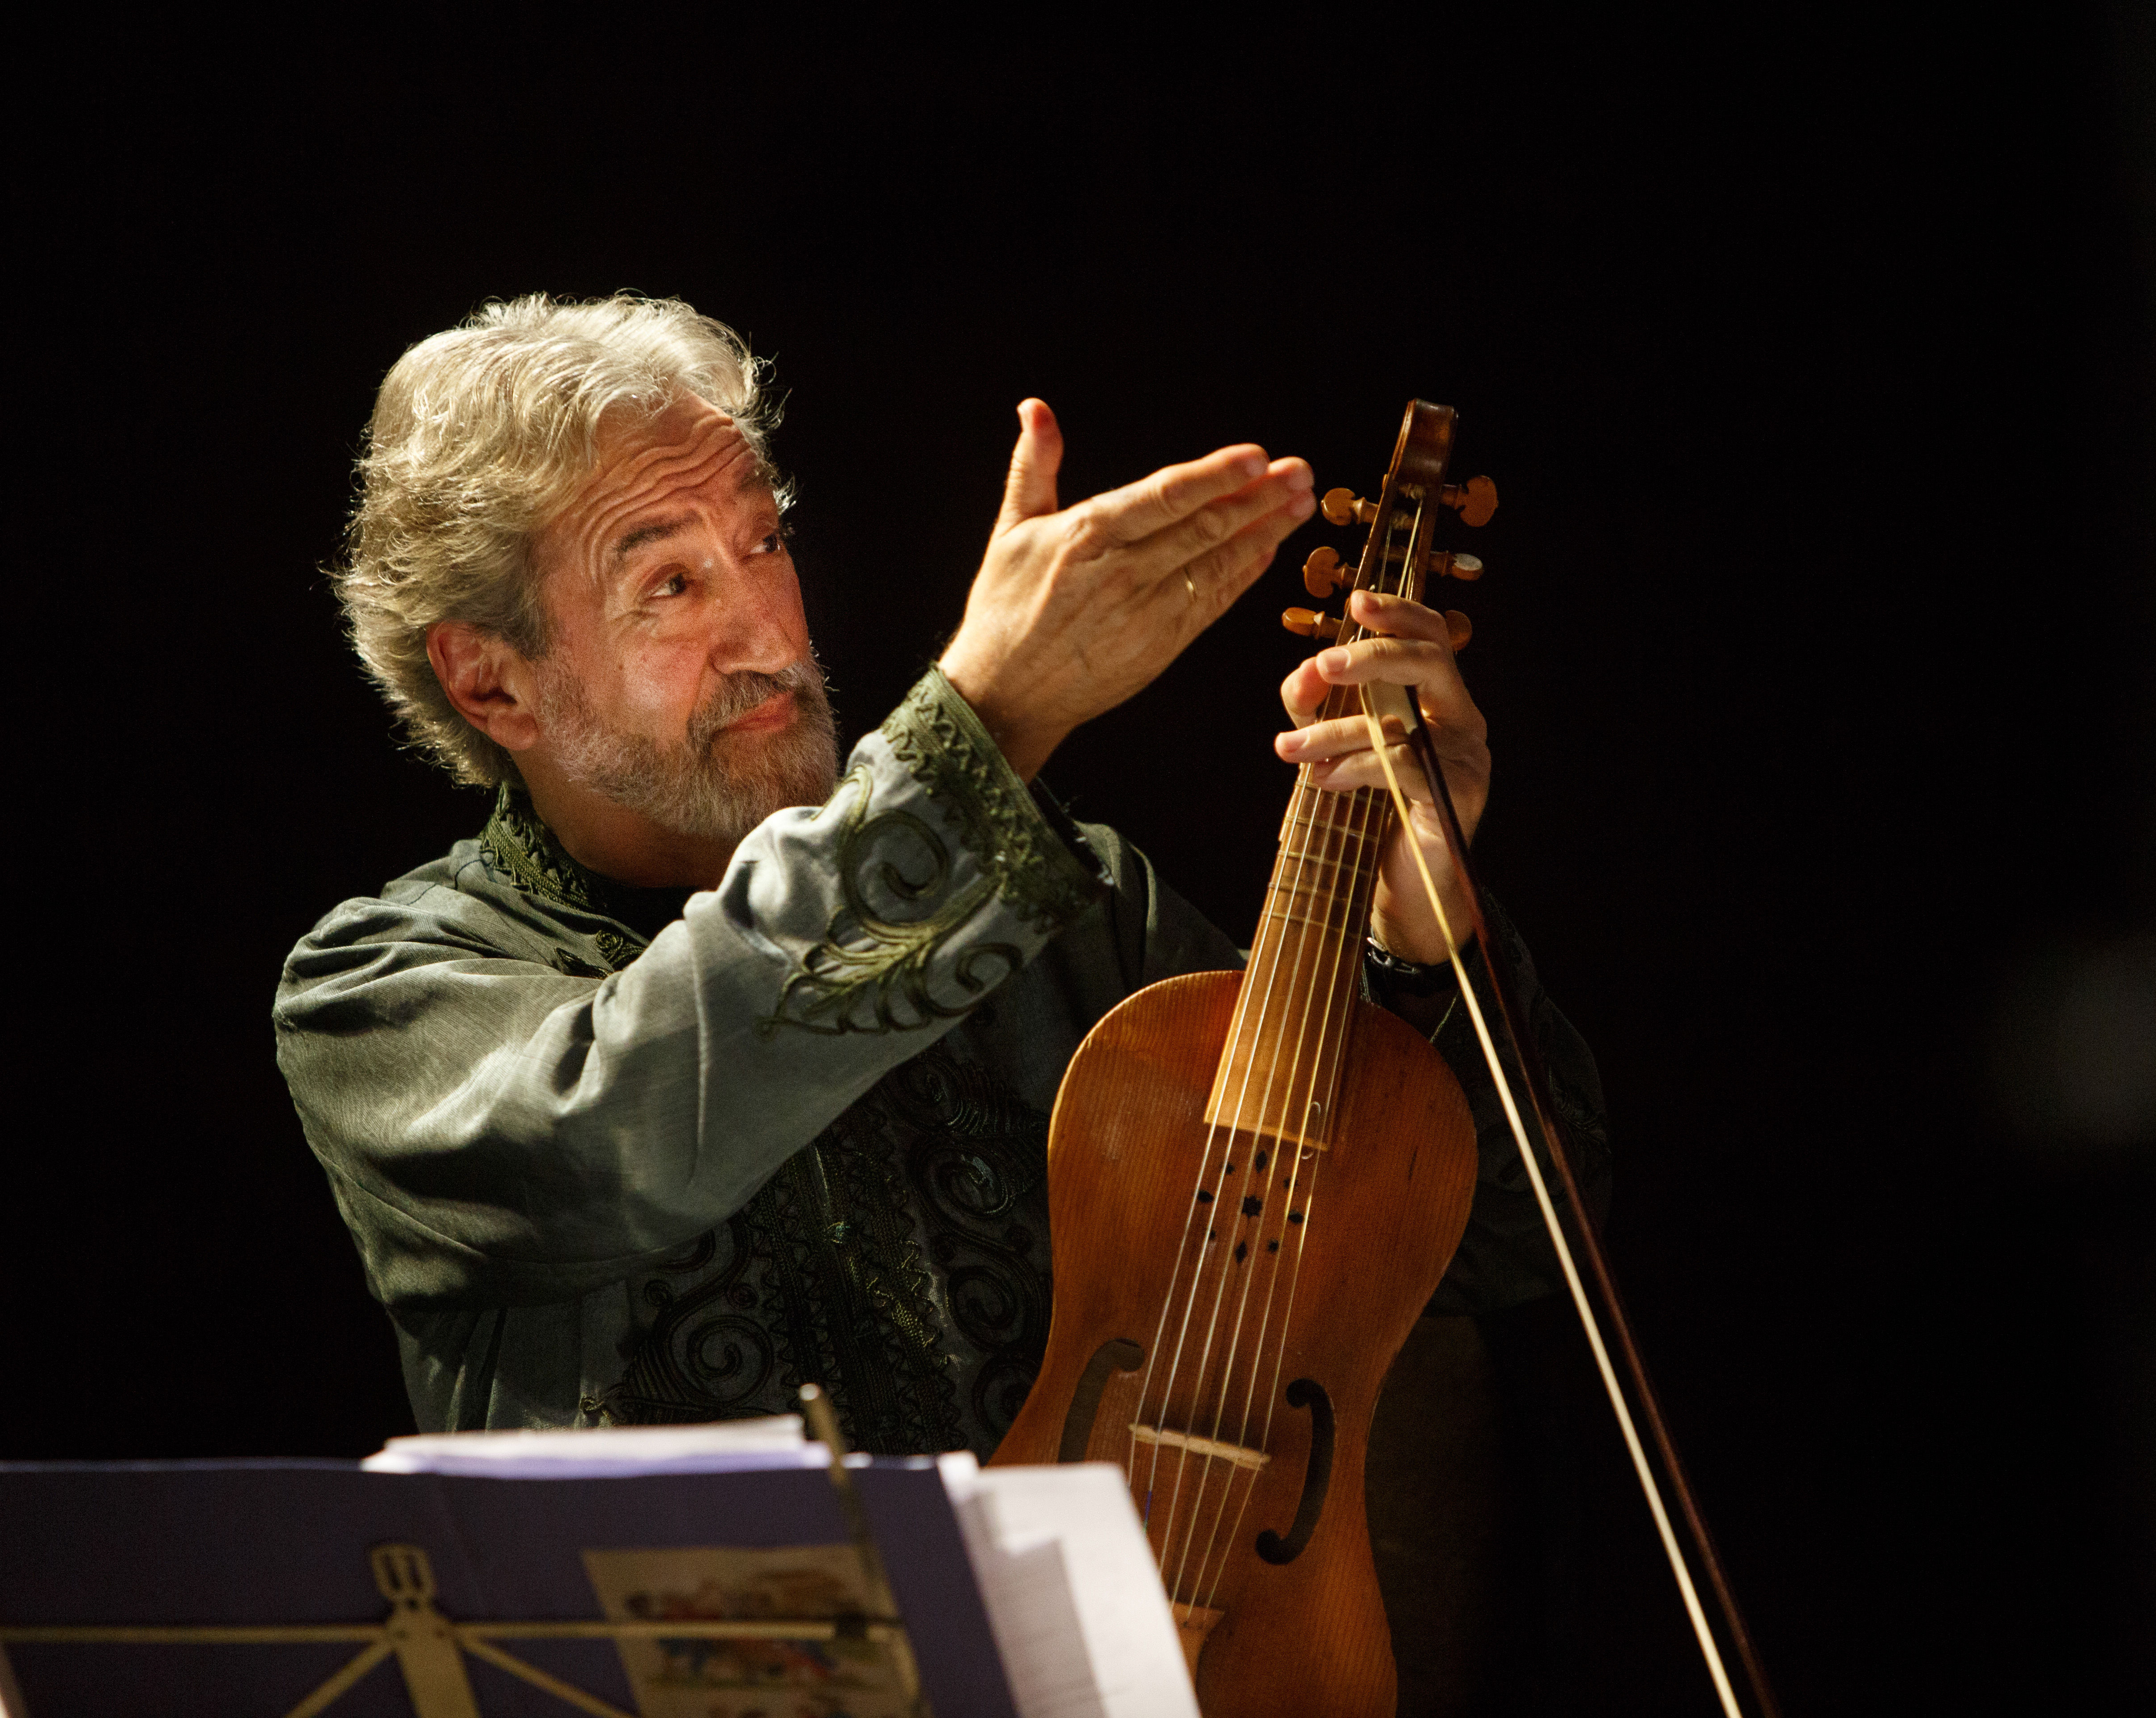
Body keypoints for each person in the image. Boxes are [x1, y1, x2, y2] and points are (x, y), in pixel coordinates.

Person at [273, 293, 1610, 1459]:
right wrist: (988, 727)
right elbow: (611, 1133)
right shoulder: (383, 990)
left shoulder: (1066, 905)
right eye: (669, 586)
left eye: (762, 542)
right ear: (487, 676)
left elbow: (1486, 1250)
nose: (768, 633)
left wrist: (1419, 947)